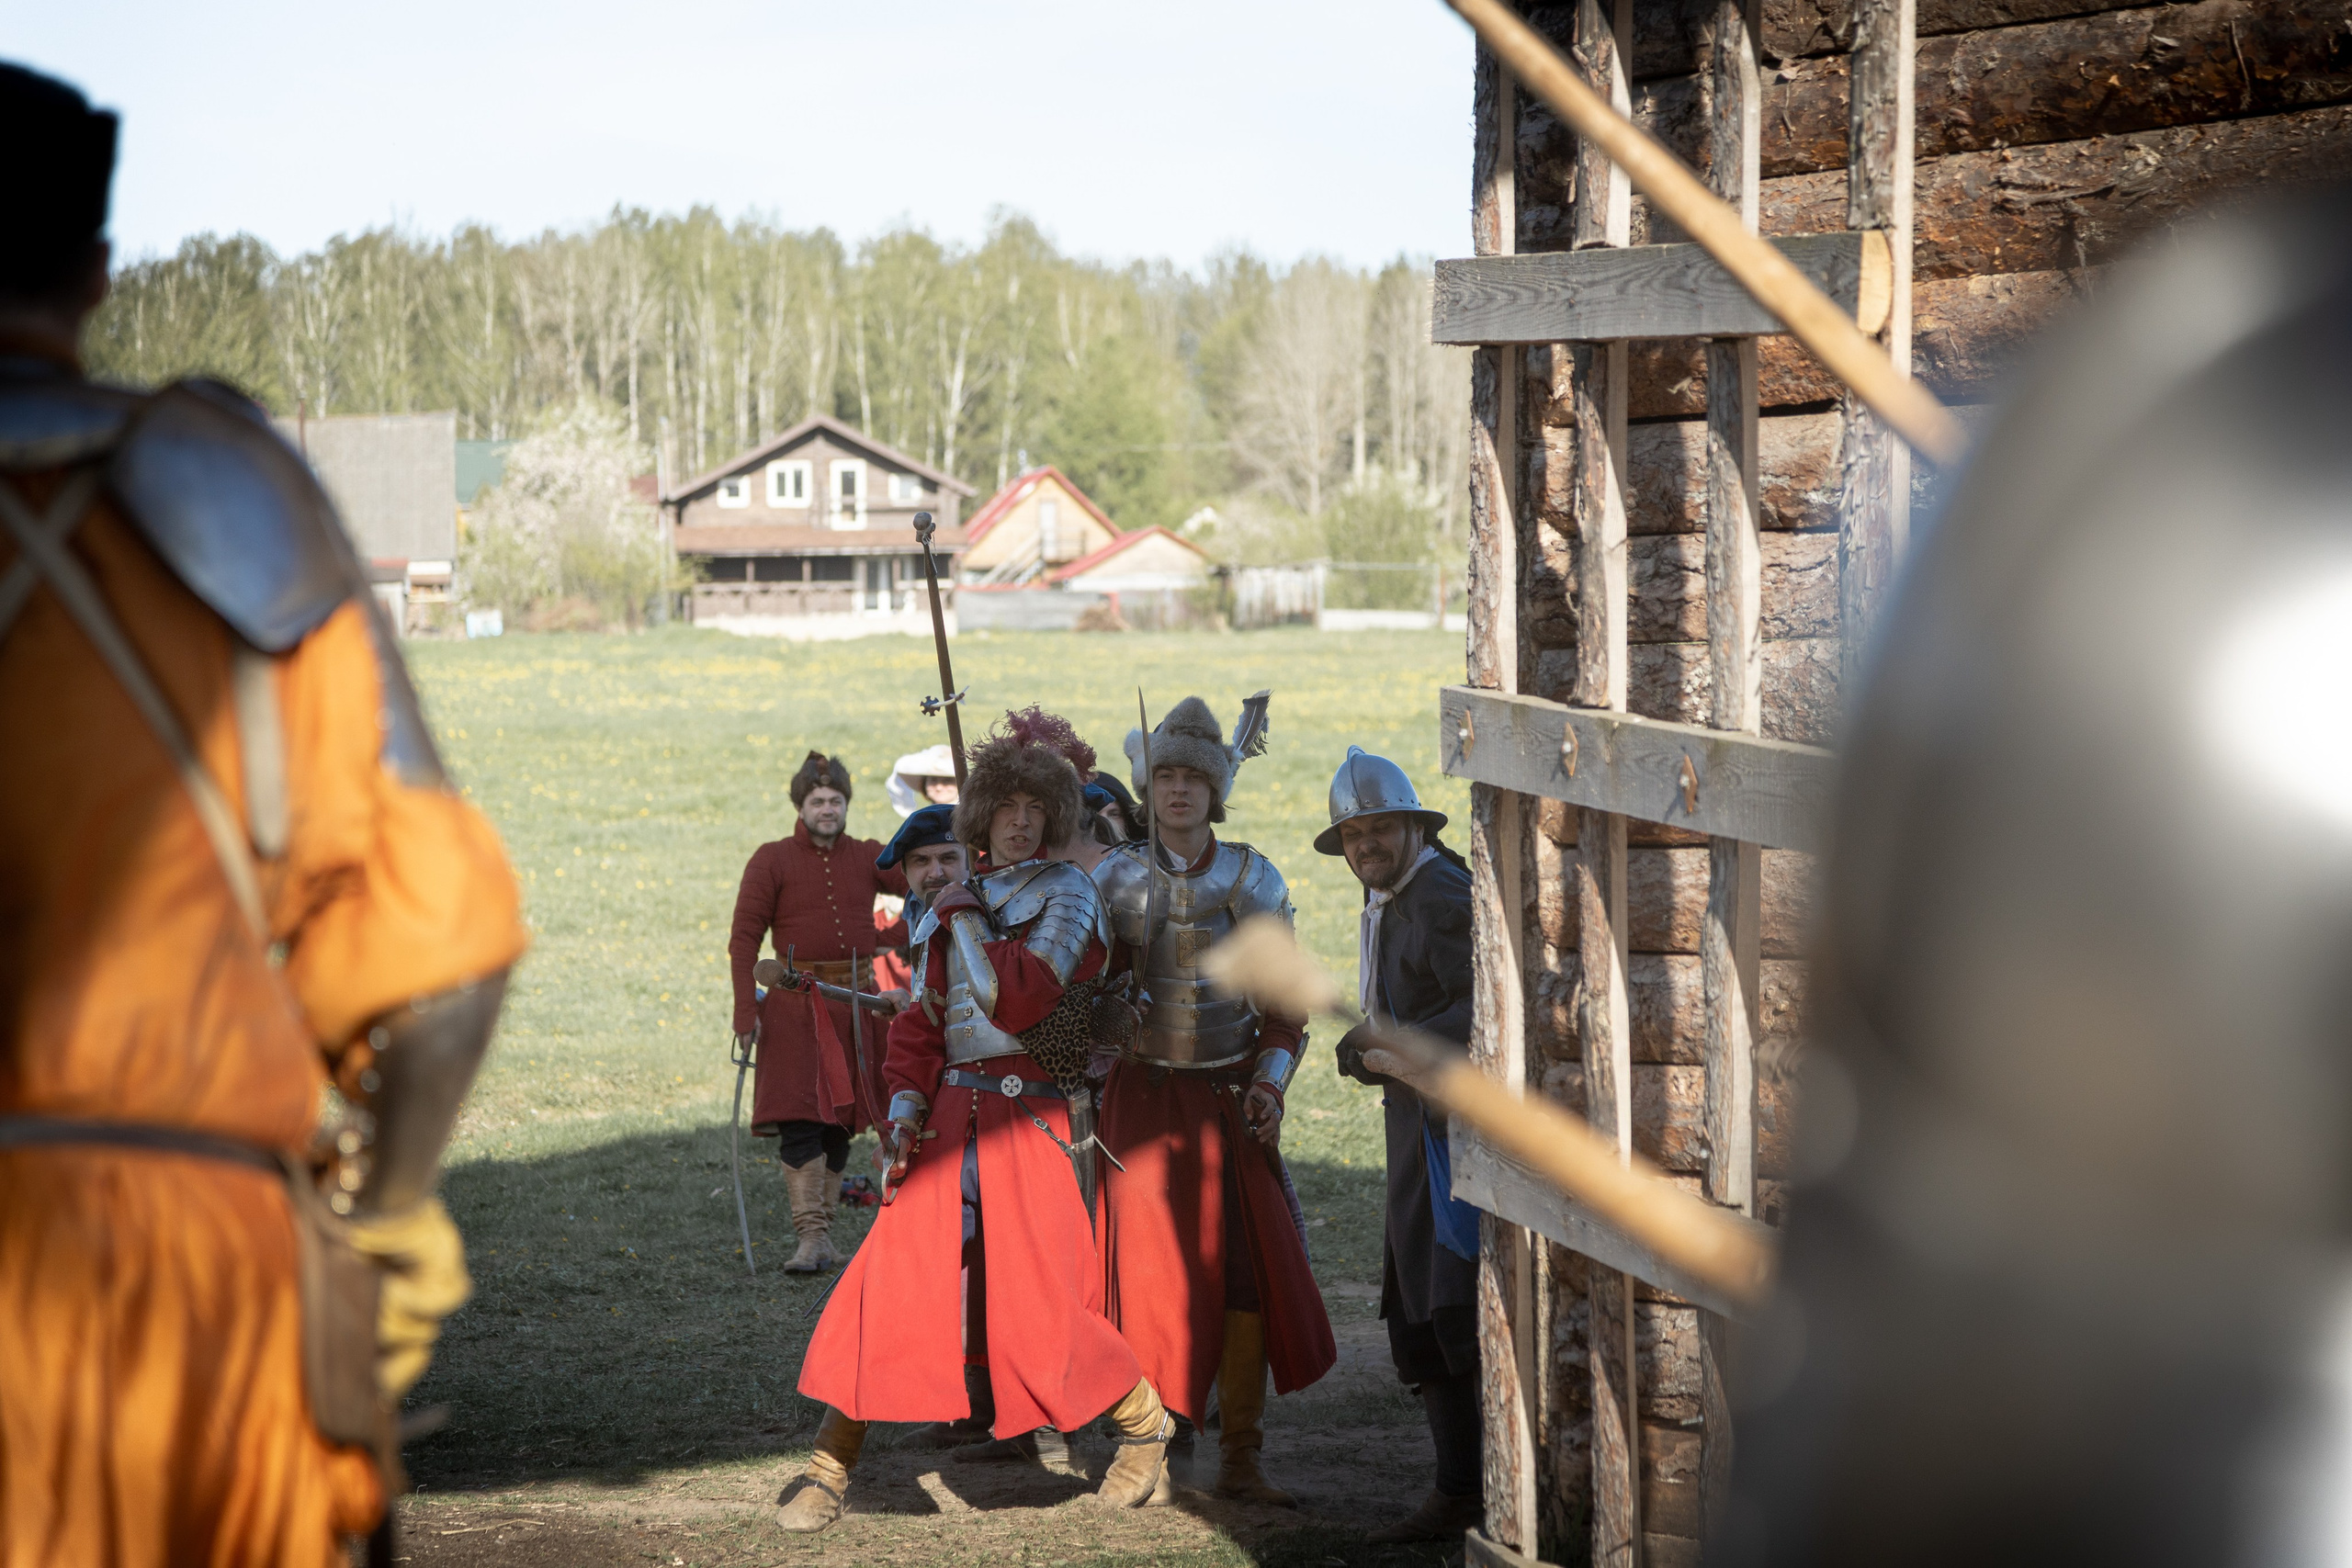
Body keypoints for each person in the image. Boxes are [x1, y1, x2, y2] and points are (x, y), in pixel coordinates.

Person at [0, 61, 528, 1567]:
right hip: (194, 1294)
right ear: (100, 271)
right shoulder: (226, 489)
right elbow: (447, 967)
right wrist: (392, 1220)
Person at [780, 709, 1175, 1531]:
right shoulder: (956, 902)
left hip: (1028, 1120)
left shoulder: (1070, 895)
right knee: (886, 1281)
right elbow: (925, 1023)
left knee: (1042, 1304)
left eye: (1037, 809)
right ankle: (828, 1465)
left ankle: (1144, 1430)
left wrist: (961, 914)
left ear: (1056, 817)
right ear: (985, 817)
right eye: (1008, 809)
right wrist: (904, 1108)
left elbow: (1022, 994)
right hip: (949, 1119)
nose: (1023, 822)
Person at [1095, 696, 1337, 1504]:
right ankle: (1153, 1445)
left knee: (1242, 1275)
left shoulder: (1252, 875)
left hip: (1230, 1096)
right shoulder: (1113, 877)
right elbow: (1080, 992)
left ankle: (1241, 1453)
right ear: (1148, 784)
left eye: (1193, 776)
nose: (1178, 790)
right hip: (1144, 1094)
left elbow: (1284, 1006)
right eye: (1164, 774)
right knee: (1147, 1272)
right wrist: (1107, 1012)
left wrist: (1269, 1082)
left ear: (1215, 788)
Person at [1320, 747, 1484, 1544]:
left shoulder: (1441, 894)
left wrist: (1395, 1046)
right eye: (1353, 835)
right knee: (1422, 1303)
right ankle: (1459, 1487)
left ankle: (1471, 1491)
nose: (1366, 845)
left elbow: (1485, 1008)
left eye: (1380, 828)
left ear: (1414, 825)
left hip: (1455, 1138)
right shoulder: (1394, 898)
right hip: (1416, 1131)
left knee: (1450, 1303)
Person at [729, 750, 906, 1273]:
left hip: (854, 1006)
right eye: (817, 801)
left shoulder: (871, 856)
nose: (827, 809)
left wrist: (887, 939)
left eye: (835, 801)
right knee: (800, 1117)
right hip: (793, 1008)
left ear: (845, 805)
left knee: (838, 1121)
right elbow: (744, 942)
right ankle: (810, 1238)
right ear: (800, 807)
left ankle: (823, 1239)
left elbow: (928, 884)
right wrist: (746, 1014)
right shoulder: (772, 859)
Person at [868, 800, 963, 1010]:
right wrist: (910, 1001)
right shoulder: (916, 908)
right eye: (921, 860)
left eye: (948, 858)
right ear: (904, 870)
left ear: (969, 860)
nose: (936, 872)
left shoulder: (993, 905)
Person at [885, 742, 960, 817]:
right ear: (924, 783)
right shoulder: (920, 819)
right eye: (933, 780)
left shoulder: (967, 819)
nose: (939, 787)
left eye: (947, 781)